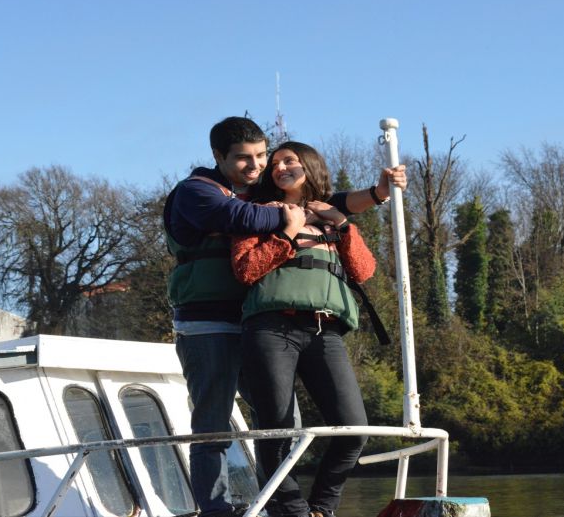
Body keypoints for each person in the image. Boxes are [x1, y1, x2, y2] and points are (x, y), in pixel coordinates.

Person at [164, 117, 402, 517]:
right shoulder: (197, 191)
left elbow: (331, 202)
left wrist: (376, 194)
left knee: (283, 423)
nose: (256, 166)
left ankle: (286, 510)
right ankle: (216, 510)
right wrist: (293, 218)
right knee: (214, 426)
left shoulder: (260, 192)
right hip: (209, 324)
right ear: (218, 156)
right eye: (243, 158)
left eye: (261, 156)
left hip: (256, 321)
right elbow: (244, 219)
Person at [232, 141, 374, 517]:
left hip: (324, 332)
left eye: (288, 161)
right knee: (277, 428)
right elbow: (246, 269)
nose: (279, 168)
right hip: (271, 329)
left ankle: (322, 508)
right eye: (274, 163)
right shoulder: (258, 214)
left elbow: (363, 270)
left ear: (309, 165)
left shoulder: (332, 217)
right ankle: (292, 512)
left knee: (354, 429)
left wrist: (341, 223)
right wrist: (289, 232)